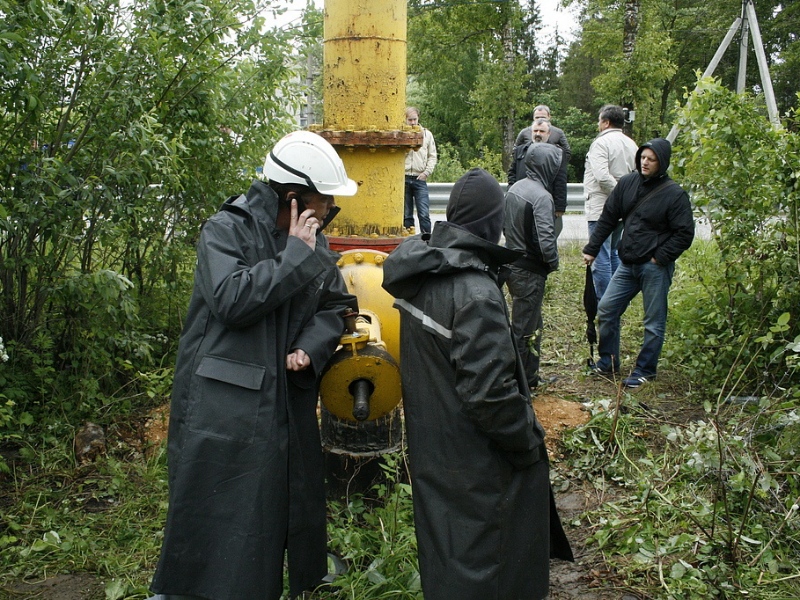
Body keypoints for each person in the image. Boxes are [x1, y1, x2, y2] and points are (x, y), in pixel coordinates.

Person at [149, 131, 359, 600]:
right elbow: (231, 300)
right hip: (225, 407)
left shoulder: (310, 240)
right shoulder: (226, 230)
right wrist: (295, 257)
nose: (330, 209)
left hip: (284, 402)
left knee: (270, 514)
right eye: (324, 200)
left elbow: (336, 305)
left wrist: (311, 346)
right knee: (214, 515)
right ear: (293, 198)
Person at [382, 168, 573, 600]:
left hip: (435, 450)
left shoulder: (422, 272)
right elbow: (490, 395)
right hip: (478, 465)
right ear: (492, 224)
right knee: (489, 562)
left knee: (448, 552)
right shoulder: (475, 292)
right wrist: (527, 441)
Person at [582, 138, 694, 389]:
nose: (645, 162)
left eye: (651, 159)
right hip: (628, 263)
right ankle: (608, 362)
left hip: (655, 268)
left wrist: (660, 257)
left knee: (653, 322)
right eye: (643, 157)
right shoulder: (628, 183)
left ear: (662, 162)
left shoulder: (674, 194)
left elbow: (685, 234)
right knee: (606, 310)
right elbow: (608, 217)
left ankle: (645, 370)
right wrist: (592, 248)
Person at [503, 142, 561, 389]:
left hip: (512, 265)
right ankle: (517, 382)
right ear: (548, 167)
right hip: (530, 271)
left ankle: (530, 378)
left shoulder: (515, 188)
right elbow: (546, 241)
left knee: (532, 323)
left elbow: (504, 226)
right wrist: (553, 263)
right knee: (524, 329)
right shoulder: (542, 197)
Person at [583, 104, 639, 300]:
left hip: (601, 208)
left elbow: (602, 176)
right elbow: (637, 176)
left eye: (599, 121)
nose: (598, 124)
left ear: (606, 122)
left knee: (601, 256)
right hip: (623, 209)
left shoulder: (601, 143)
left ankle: (605, 303)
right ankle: (617, 300)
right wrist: (626, 199)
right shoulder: (632, 144)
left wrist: (619, 197)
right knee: (614, 253)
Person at [509, 104, 571, 237]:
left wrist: (560, 206)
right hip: (522, 201)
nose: (538, 134)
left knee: (543, 236)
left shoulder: (557, 154)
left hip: (546, 202)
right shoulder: (520, 151)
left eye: (542, 131)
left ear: (549, 133)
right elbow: (512, 174)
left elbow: (561, 180)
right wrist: (511, 195)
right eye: (535, 131)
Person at [403, 106, 438, 234]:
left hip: (420, 178)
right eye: (410, 120)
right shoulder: (401, 135)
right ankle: (408, 239)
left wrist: (426, 172)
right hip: (404, 177)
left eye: (414, 119)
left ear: (418, 119)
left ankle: (426, 239)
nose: (413, 123)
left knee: (423, 213)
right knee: (406, 214)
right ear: (405, 120)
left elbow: (432, 156)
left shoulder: (427, 134)